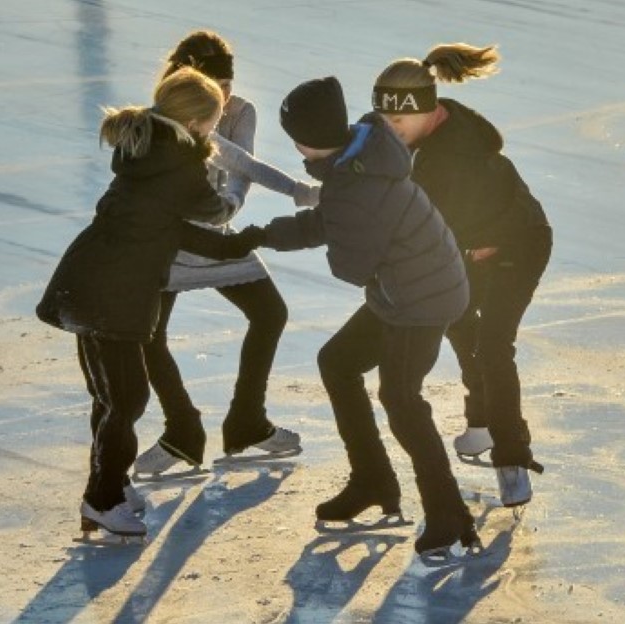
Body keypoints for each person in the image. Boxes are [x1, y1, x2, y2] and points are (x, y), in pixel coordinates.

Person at [218, 76, 479, 557]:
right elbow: (328, 221)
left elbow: (350, 265)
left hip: (421, 299)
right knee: (338, 363)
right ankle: (373, 481)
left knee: (401, 399)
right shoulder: (358, 159)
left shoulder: (353, 185)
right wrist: (259, 235)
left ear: (307, 141)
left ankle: (447, 511)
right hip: (407, 287)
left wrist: (318, 230)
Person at [35, 67, 237, 538]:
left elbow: (165, 223)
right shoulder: (184, 164)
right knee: (126, 398)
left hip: (86, 280)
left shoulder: (143, 148)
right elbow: (214, 210)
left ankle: (110, 487)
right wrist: (230, 190)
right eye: (215, 123)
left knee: (111, 399)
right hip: (115, 293)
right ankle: (102, 499)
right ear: (197, 124)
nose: (215, 131)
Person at [372, 43, 552, 507]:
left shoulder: (449, 160)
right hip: (474, 244)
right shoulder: (436, 127)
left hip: (520, 243)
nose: (392, 131)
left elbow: (430, 228)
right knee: (455, 319)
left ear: (428, 110)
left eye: (398, 123)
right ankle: (481, 421)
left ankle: (512, 459)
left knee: (493, 344)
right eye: (385, 121)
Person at [134, 30, 317, 477]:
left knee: (270, 313)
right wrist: (297, 191)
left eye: (230, 88)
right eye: (218, 90)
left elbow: (240, 169)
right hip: (170, 238)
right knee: (148, 336)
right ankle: (181, 432)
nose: (226, 97)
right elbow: (230, 158)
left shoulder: (239, 112)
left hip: (215, 229)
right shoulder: (172, 116)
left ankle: (247, 422)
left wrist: (228, 209)